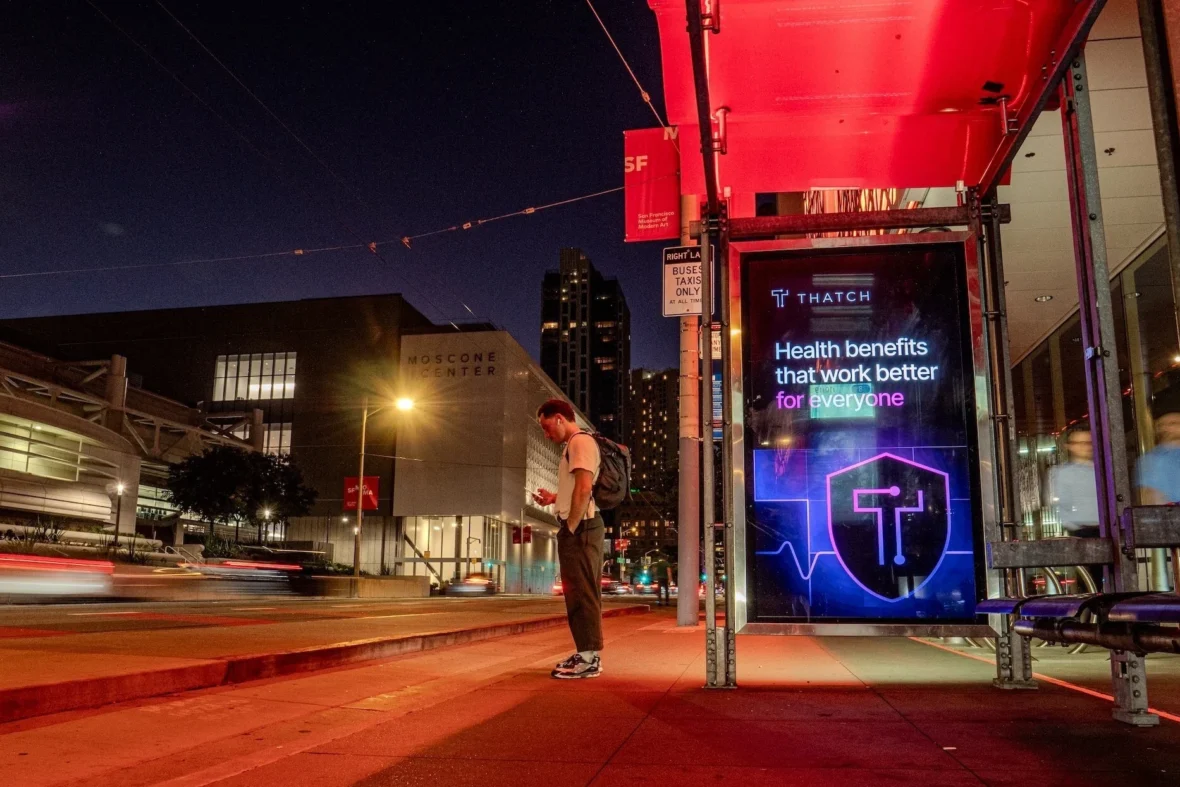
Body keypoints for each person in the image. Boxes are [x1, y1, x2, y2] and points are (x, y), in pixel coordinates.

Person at [533, 398, 603, 679]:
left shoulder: (579, 442)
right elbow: (577, 488)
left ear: (560, 418)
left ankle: (588, 659)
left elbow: (584, 487)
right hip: (581, 526)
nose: (547, 435)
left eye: (547, 428)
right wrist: (555, 498)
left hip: (582, 528)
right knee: (579, 593)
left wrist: (572, 525)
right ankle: (587, 653)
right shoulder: (574, 446)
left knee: (581, 594)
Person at [1047, 426, 1100, 538]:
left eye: (1088, 442)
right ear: (1069, 446)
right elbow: (1058, 504)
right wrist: (1072, 526)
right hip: (1081, 532)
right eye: (1079, 443)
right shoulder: (1061, 473)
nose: (1084, 447)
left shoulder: (1103, 470)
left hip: (1106, 530)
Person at [1138, 411, 1180, 505]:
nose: (1166, 428)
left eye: (1173, 423)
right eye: (1161, 425)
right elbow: (1151, 500)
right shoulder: (1152, 460)